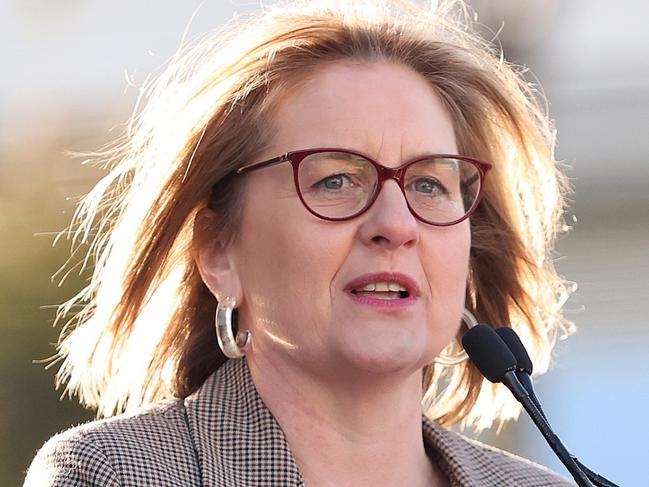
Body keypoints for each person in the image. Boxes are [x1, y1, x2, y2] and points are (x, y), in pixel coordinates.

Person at [25, 0, 576, 485]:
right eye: (334, 180)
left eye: (429, 184)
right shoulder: (116, 473)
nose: (396, 224)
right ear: (218, 251)